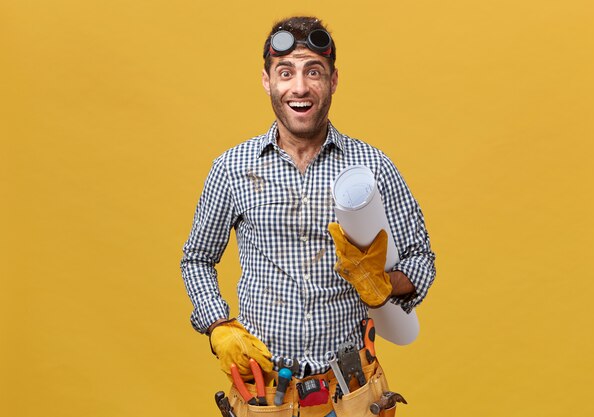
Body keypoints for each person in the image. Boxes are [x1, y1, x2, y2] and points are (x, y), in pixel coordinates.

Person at [180, 16, 436, 417]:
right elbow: (196, 258)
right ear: (267, 80)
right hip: (266, 398)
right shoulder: (231, 168)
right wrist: (217, 325)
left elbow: (421, 259)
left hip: (349, 394)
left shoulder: (372, 168)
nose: (299, 87)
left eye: (313, 72)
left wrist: (383, 284)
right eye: (286, 72)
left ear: (333, 81)